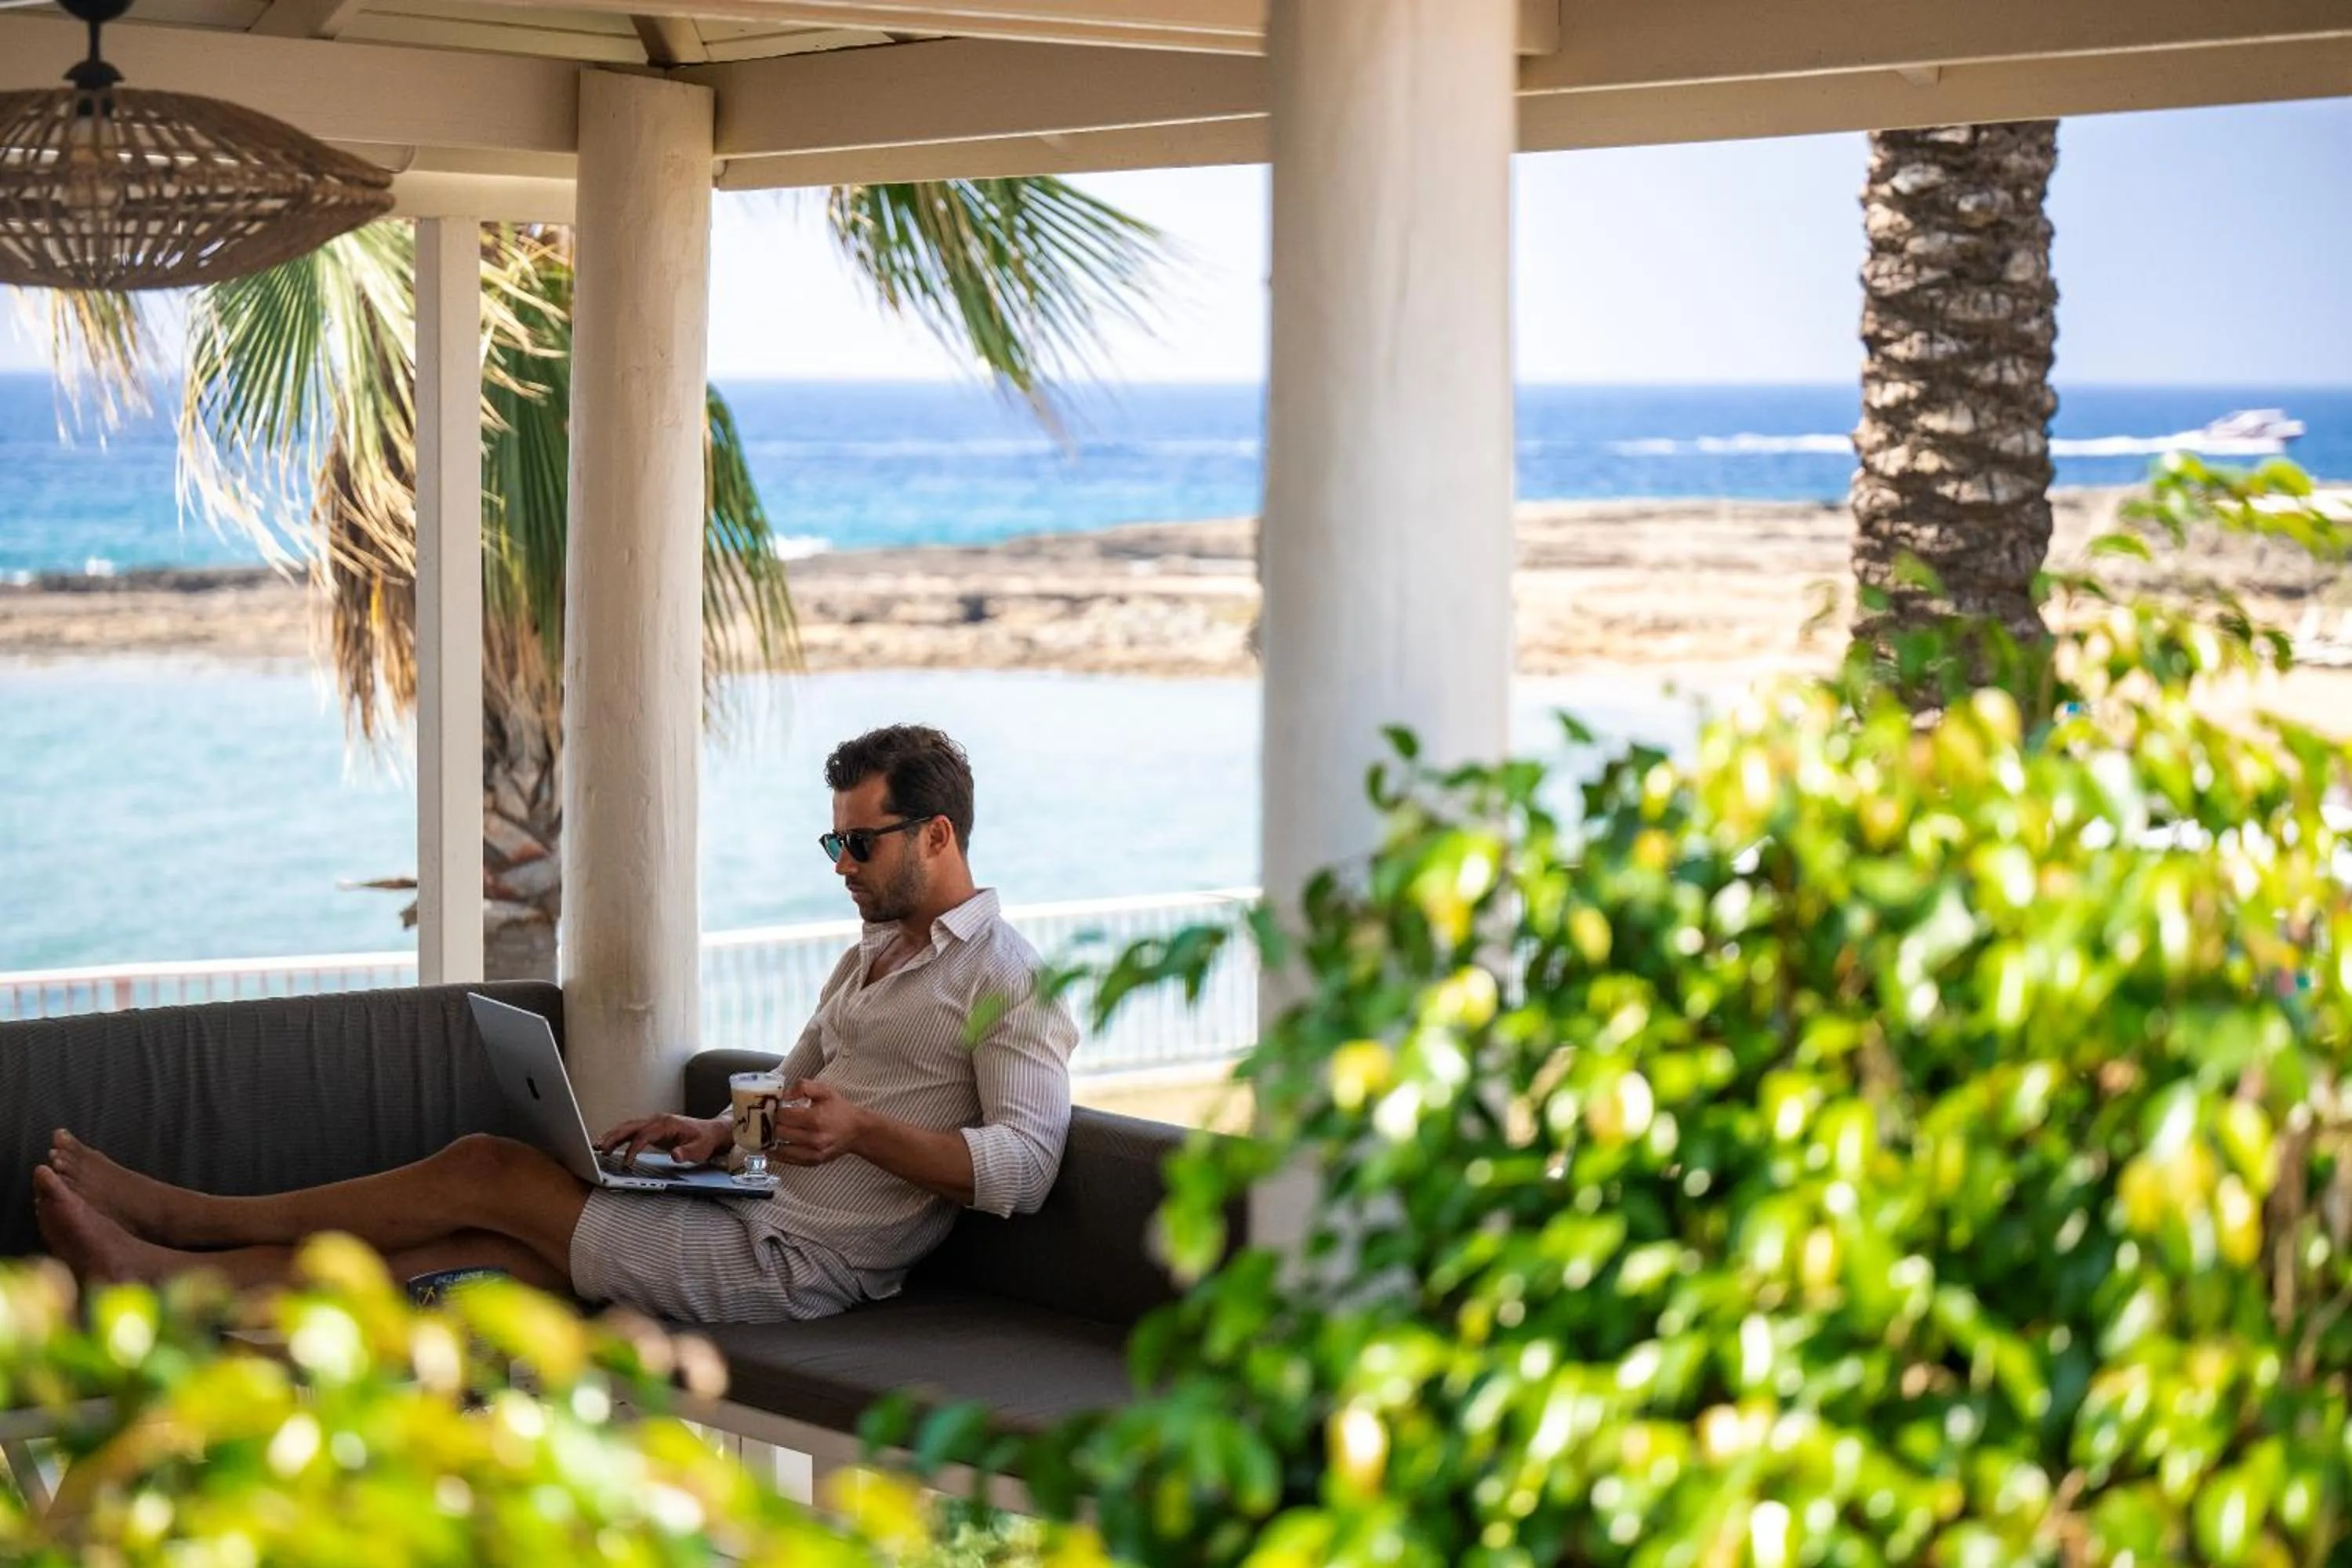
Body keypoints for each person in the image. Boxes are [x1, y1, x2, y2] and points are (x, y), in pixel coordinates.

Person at [33, 726, 1079, 1324]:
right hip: (748, 1206)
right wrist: (715, 1135)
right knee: (472, 1241)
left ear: (937, 834)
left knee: (490, 1172)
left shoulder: (1007, 982)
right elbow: (794, 1090)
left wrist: (864, 1134)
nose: (843, 868)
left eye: (860, 845)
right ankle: (173, 1282)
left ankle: (188, 1218)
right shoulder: (873, 957)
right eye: (835, 845)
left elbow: (1025, 1168)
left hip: (801, 1262)